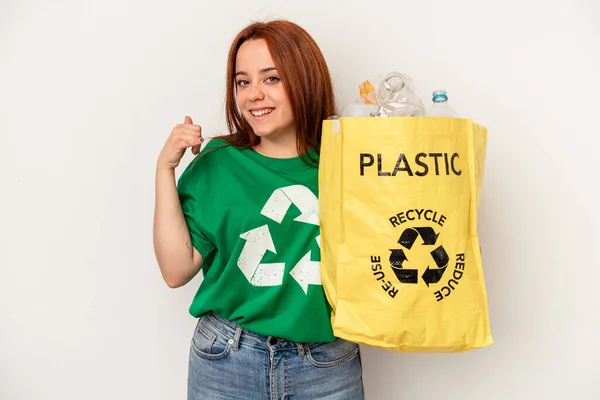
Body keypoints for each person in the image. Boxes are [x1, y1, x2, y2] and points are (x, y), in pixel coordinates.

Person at [153, 19, 365, 399]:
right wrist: (165, 169)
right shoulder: (218, 162)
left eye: (271, 78)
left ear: (305, 79)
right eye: (242, 81)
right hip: (225, 358)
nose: (253, 95)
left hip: (326, 363)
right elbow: (175, 270)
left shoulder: (349, 161)